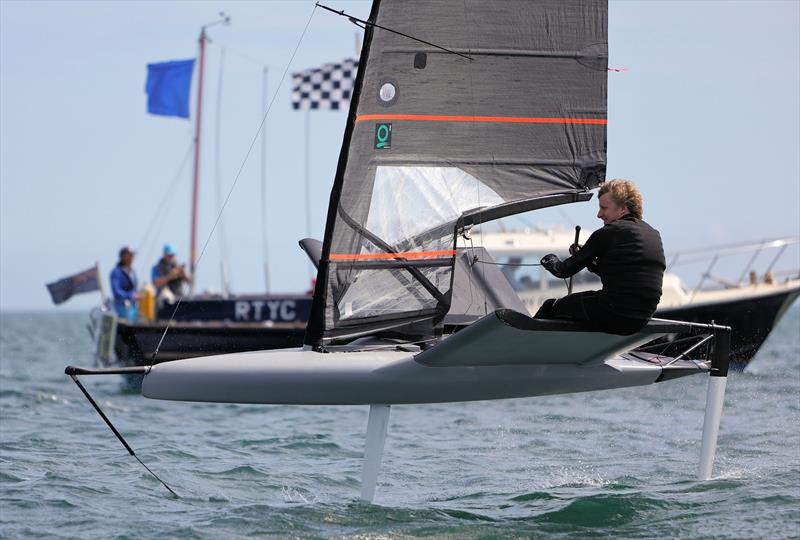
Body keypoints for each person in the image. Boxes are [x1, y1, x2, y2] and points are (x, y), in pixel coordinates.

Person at [534, 179, 665, 335]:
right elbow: (620, 275)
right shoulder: (653, 233)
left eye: (604, 208)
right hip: (641, 319)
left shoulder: (609, 232)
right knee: (587, 303)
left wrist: (550, 259)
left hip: (613, 313)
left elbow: (563, 270)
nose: (599, 214)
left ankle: (520, 349)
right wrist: (590, 261)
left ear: (622, 209)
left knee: (551, 306)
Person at [110, 245, 139, 319]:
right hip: (121, 308)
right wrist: (130, 295)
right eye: (130, 255)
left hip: (134, 308)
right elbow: (116, 291)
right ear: (124, 257)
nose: (132, 257)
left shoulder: (133, 272)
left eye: (133, 255)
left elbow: (134, 290)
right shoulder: (116, 272)